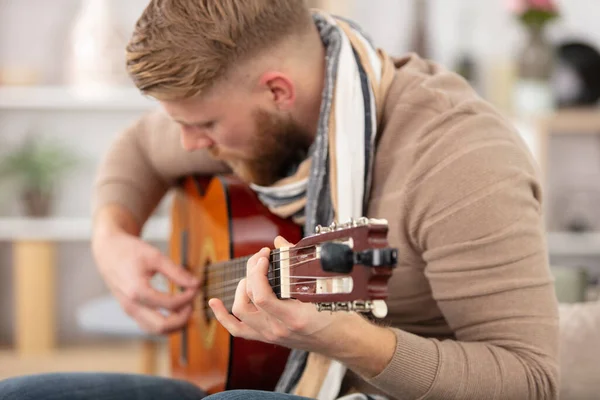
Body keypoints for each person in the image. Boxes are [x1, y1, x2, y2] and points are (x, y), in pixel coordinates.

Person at [0, 1, 560, 399]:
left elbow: (529, 381)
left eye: (205, 125)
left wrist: (349, 341)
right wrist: (112, 240)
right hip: (261, 378)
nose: (190, 145)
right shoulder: (250, 111)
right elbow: (138, 151)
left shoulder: (460, 161)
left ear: (277, 91)